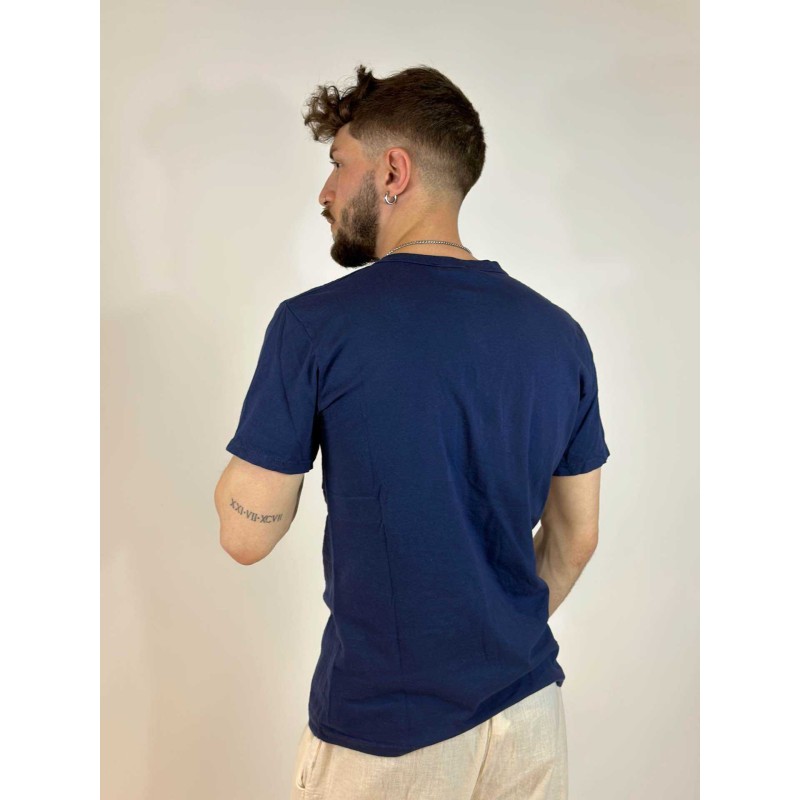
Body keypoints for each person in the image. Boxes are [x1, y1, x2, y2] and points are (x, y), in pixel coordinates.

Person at [214, 63, 610, 800]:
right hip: (527, 715)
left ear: (393, 172)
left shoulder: (315, 326)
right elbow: (575, 539)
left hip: (387, 736)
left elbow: (245, 536)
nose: (325, 192)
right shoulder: (561, 336)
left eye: (339, 164)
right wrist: (488, 638)